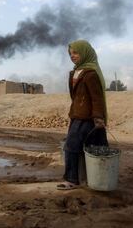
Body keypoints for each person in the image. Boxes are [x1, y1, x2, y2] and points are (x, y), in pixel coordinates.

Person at [57, 39, 109, 190]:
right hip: (77, 115)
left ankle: (72, 180)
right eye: (70, 53)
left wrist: (98, 117)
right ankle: (93, 178)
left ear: (85, 53)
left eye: (76, 52)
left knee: (72, 147)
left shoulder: (91, 73)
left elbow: (96, 97)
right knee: (94, 147)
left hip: (87, 118)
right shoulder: (76, 72)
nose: (72, 56)